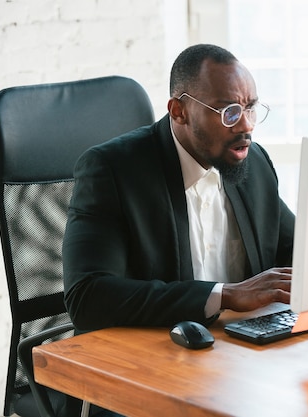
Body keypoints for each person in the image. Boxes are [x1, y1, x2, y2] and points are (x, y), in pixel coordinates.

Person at [63, 44, 295, 331]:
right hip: (151, 353)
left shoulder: (254, 164)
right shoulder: (112, 171)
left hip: (239, 349)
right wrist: (225, 296)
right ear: (179, 111)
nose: (246, 126)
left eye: (249, 108)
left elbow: (297, 249)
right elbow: (87, 297)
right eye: (228, 112)